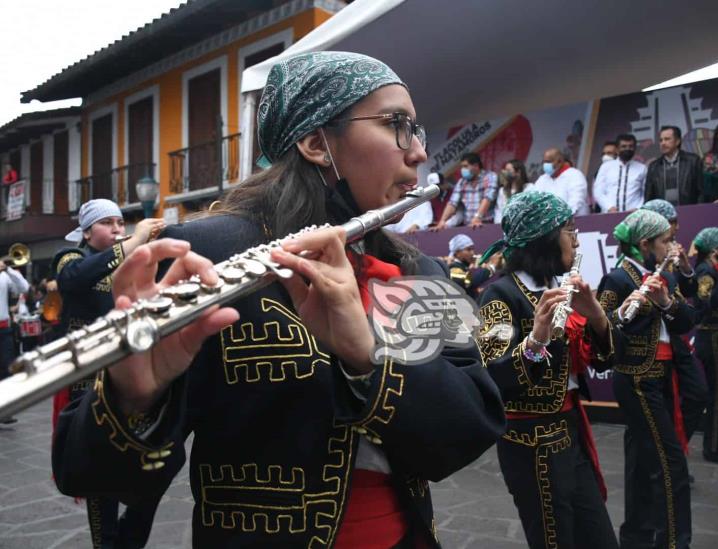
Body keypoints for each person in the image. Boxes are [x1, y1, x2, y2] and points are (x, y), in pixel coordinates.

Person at [52, 51, 507, 548]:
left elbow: (470, 429)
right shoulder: (203, 254)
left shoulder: (422, 271)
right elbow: (90, 477)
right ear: (317, 143)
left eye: (417, 129)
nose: (418, 152)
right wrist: (132, 396)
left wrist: (367, 357)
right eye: (397, 124)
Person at [478, 191, 619, 549]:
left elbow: (604, 361)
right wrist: (536, 340)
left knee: (599, 537)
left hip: (572, 431)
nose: (576, 238)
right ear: (543, 238)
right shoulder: (500, 295)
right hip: (531, 443)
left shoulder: (563, 287)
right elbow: (493, 378)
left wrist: (598, 317)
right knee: (554, 540)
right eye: (568, 229)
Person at [52, 198, 165, 549]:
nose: (118, 228)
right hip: (89, 383)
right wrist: (135, 240)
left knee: (154, 463)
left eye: (121, 222)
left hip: (130, 375)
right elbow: (73, 281)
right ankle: (106, 542)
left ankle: (130, 540)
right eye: (107, 223)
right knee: (101, 470)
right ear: (86, 232)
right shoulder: (71, 258)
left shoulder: (131, 260)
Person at [597, 209, 695, 548]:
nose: (670, 247)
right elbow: (601, 326)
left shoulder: (661, 276)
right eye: (665, 240)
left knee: (642, 463)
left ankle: (637, 537)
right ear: (644, 244)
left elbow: (686, 321)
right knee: (671, 465)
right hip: (637, 378)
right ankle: (674, 541)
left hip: (662, 376)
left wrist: (666, 301)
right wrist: (626, 310)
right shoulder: (619, 278)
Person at [640, 199, 707, 451]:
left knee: (697, 394)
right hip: (654, 342)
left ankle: (676, 452)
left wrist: (685, 267)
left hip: (676, 336)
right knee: (664, 406)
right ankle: (669, 458)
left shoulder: (673, 250)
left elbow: (690, 291)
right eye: (670, 224)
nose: (675, 229)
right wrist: (663, 264)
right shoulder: (643, 254)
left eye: (675, 223)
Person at [691, 227, 718, 465]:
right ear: (715, 249)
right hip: (712, 338)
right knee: (717, 394)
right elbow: (705, 306)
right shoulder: (705, 272)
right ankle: (713, 448)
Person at [434, 152, 498, 229]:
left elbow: (487, 198)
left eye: (465, 166)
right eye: (462, 167)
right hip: (468, 226)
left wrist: (478, 217)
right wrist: (442, 221)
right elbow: (452, 203)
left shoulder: (490, 177)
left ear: (476, 166)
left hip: (486, 224)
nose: (463, 170)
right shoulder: (462, 182)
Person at [0, 254, 29, 424]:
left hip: (4, 329)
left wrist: (9, 269)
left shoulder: (4, 276)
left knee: (6, 369)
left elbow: (24, 288)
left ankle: (4, 410)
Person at [645, 126, 704, 206]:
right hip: (663, 215)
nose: (663, 143)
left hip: (690, 211)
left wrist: (699, 210)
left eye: (667, 139)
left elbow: (702, 191)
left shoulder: (693, 161)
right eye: (661, 140)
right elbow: (649, 197)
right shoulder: (654, 166)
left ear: (677, 141)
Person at [594, 133, 647, 213]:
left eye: (630, 146)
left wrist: (638, 208)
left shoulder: (642, 168)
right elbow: (598, 191)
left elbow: (645, 193)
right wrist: (609, 207)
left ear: (635, 148)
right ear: (617, 149)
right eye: (624, 146)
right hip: (609, 215)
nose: (627, 149)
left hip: (634, 216)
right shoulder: (606, 167)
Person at [532, 147, 590, 215]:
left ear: (560, 162)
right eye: (544, 162)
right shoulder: (542, 179)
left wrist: (559, 218)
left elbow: (576, 202)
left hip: (574, 222)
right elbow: (534, 200)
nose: (545, 165)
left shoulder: (575, 175)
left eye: (548, 162)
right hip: (547, 222)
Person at [447, 234, 497, 300]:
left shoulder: (463, 268)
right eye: (468, 249)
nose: (472, 253)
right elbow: (470, 282)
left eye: (473, 249)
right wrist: (492, 266)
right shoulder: (453, 268)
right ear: (457, 253)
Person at [493, 159, 533, 224]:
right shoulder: (502, 190)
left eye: (508, 170)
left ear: (518, 172)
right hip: (504, 228)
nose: (505, 172)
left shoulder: (529, 188)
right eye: (505, 170)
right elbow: (499, 211)